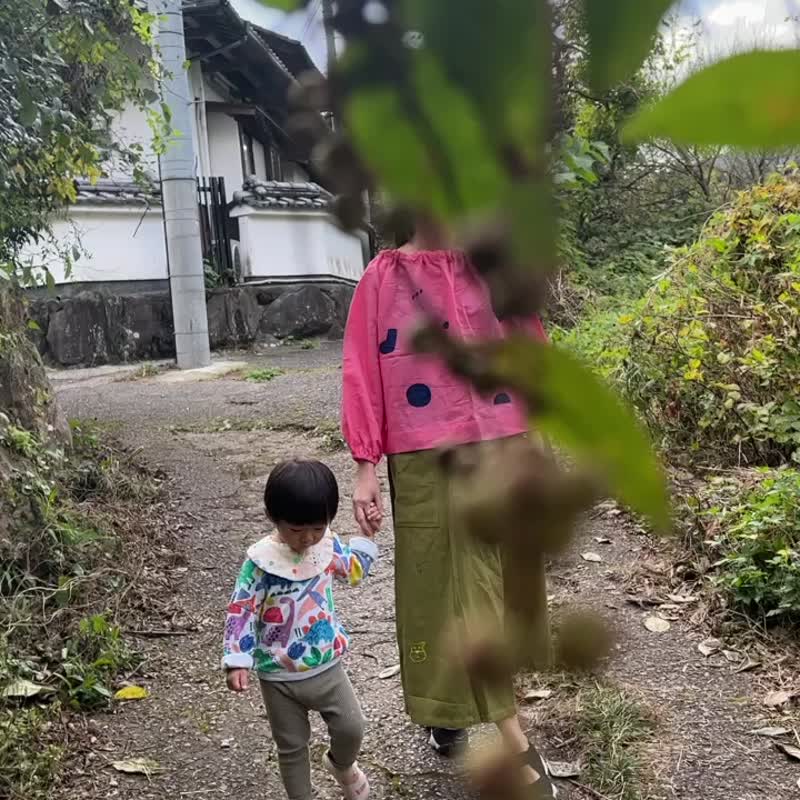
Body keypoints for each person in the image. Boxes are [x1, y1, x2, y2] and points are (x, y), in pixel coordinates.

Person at [341, 221, 556, 798]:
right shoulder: (381, 278)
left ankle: (449, 705)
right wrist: (365, 466)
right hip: (423, 450)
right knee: (440, 581)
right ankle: (511, 734)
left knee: (501, 580)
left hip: (504, 437)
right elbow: (362, 370)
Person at [223, 459, 378, 800]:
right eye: (296, 529)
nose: (307, 538)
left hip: (327, 667)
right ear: (274, 518)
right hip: (278, 676)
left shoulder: (325, 546)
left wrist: (365, 539)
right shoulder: (260, 562)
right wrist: (237, 657)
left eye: (317, 527)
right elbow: (242, 608)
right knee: (291, 749)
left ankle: (341, 765)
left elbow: (352, 570)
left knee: (352, 727)